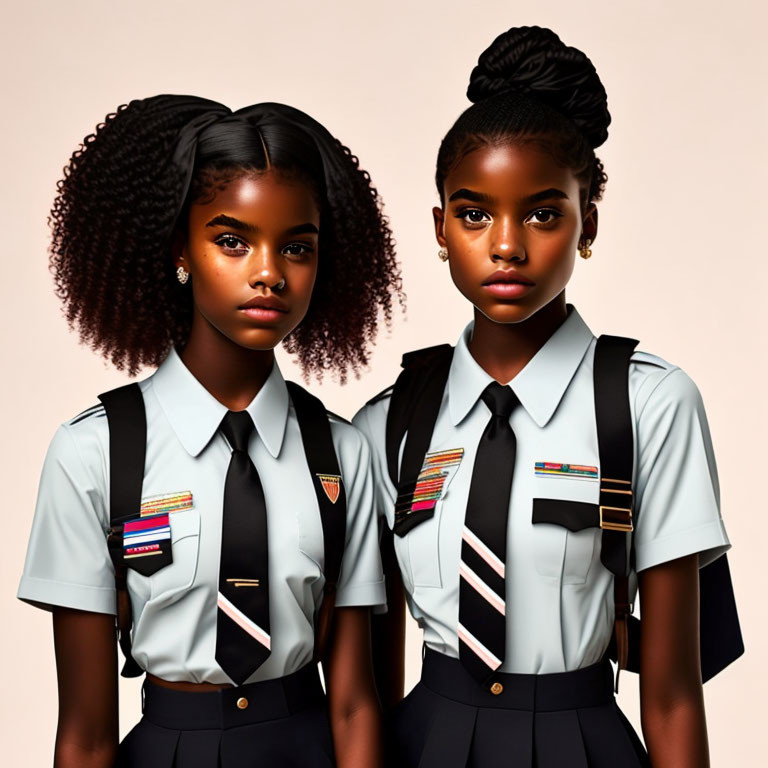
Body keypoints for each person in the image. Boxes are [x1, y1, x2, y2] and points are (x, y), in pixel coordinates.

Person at [354, 26, 735, 768]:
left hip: (580, 738)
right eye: (473, 214)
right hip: (424, 739)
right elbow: (369, 680)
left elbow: (673, 694)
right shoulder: (390, 423)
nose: (506, 246)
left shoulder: (648, 405)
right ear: (439, 228)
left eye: (541, 213)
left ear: (587, 220)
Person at [18, 94, 402, 768]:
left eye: (297, 247)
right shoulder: (93, 454)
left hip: (307, 743)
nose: (268, 273)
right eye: (232, 240)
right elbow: (83, 734)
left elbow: (355, 704)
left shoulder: (344, 454)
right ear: (180, 250)